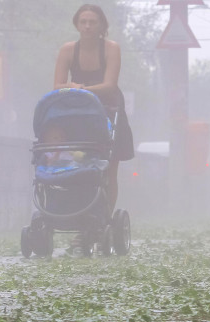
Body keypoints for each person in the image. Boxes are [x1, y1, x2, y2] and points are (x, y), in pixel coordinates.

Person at [53, 4, 134, 217]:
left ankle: (104, 218)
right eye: (83, 22)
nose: (87, 26)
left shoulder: (111, 48)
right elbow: (56, 85)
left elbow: (109, 85)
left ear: (101, 26)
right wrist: (74, 89)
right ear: (77, 25)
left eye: (92, 22)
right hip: (78, 115)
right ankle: (78, 214)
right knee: (78, 164)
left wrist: (78, 88)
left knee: (109, 170)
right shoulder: (68, 50)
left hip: (109, 111)